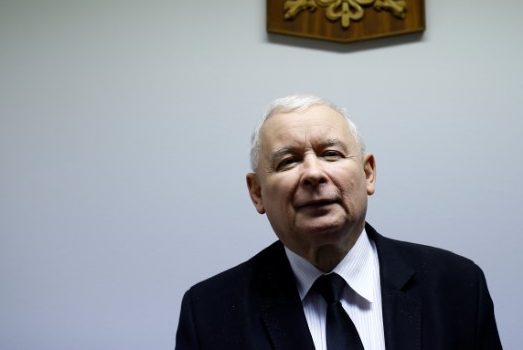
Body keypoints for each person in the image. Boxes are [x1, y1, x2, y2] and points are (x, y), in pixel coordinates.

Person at [176, 95, 502, 349]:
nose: (314, 173)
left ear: (368, 173)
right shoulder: (209, 311)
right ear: (257, 192)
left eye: (331, 154)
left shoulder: (457, 286)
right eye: (288, 161)